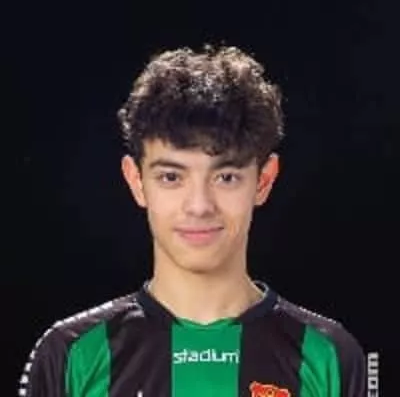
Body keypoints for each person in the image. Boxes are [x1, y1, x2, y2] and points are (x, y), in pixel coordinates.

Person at [19, 44, 366, 397]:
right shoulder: (71, 354)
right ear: (136, 181)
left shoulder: (330, 357)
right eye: (171, 177)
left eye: (226, 177)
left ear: (264, 181)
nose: (199, 206)